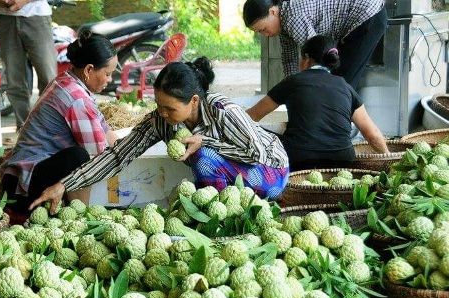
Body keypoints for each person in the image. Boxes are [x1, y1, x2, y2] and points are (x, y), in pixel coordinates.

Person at [30, 57, 290, 214]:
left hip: (270, 171)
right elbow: (118, 155)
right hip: (235, 179)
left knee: (203, 155)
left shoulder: (223, 110)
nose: (162, 114)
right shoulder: (160, 120)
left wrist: (207, 140)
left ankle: (219, 217)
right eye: (159, 105)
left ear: (194, 101)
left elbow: (257, 153)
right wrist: (65, 184)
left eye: (170, 108)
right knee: (202, 157)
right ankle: (213, 209)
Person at [2, 32, 119, 214]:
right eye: (108, 74)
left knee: (84, 155)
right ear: (89, 70)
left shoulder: (67, 80)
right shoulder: (76, 99)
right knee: (80, 157)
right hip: (24, 187)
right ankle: (78, 215)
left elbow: (105, 130)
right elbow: (100, 154)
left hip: (22, 177)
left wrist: (129, 150)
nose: (110, 80)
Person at [246, 35, 388, 171]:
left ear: (306, 58)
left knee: (264, 132)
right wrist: (388, 160)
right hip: (343, 161)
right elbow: (372, 134)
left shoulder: (293, 82)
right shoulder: (346, 87)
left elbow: (251, 117)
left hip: (300, 161)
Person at [243, 0, 387, 90]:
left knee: (341, 84)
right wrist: (292, 91)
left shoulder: (293, 17)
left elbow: (319, 56)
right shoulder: (284, 21)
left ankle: (340, 130)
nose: (265, 34)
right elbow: (289, 62)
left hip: (368, 16)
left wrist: (306, 94)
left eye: (263, 29)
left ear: (273, 11)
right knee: (335, 82)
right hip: (356, 22)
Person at [0, 0, 57, 128]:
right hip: (6, 19)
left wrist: (23, 1)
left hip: (37, 18)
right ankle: (23, 130)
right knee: (14, 81)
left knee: (48, 79)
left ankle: (48, 129)